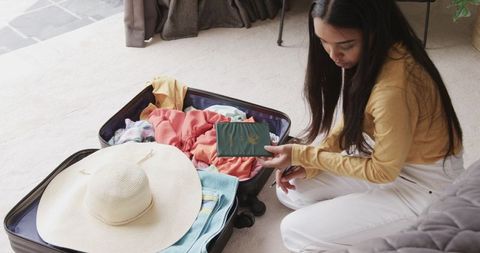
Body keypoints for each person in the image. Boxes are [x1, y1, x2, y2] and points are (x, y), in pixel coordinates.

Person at [259, 0, 464, 252]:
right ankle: (367, 213)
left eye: (345, 45)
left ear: (373, 31)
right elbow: (352, 121)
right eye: (324, 41)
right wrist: (309, 162)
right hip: (397, 164)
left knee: (294, 231)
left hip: (425, 187)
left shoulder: (394, 88)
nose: (333, 56)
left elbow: (382, 171)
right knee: (292, 191)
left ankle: (391, 222)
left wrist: (306, 154)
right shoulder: (376, 55)